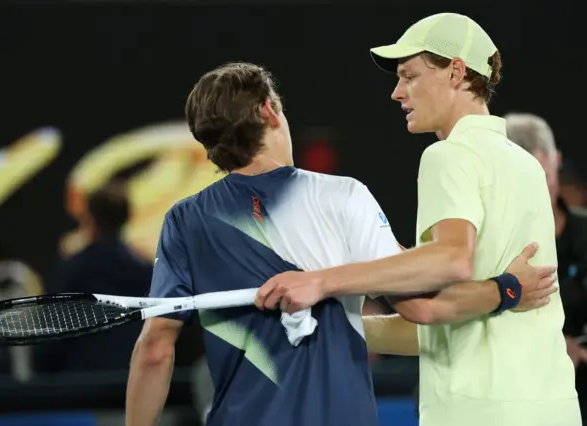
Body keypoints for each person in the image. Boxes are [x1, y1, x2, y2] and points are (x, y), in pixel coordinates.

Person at [124, 61, 555, 426]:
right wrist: (506, 290)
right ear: (269, 111)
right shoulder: (342, 196)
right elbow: (421, 306)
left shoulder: (183, 220)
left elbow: (156, 350)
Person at [255, 13, 581, 426]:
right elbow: (441, 320)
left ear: (456, 73)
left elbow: (450, 264)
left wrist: (320, 281)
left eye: (409, 76)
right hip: (553, 408)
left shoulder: (447, 155)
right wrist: (336, 323)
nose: (396, 92)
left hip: (476, 414)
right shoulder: (526, 166)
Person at [505, 112, 587, 422]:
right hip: (517, 394)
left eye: (545, 172)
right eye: (527, 175)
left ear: (557, 161)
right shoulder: (488, 245)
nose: (539, 186)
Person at [34, 181, 152, 373]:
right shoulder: (149, 274)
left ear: (89, 218)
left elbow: (50, 342)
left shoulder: (70, 271)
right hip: (133, 385)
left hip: (80, 389)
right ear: (127, 217)